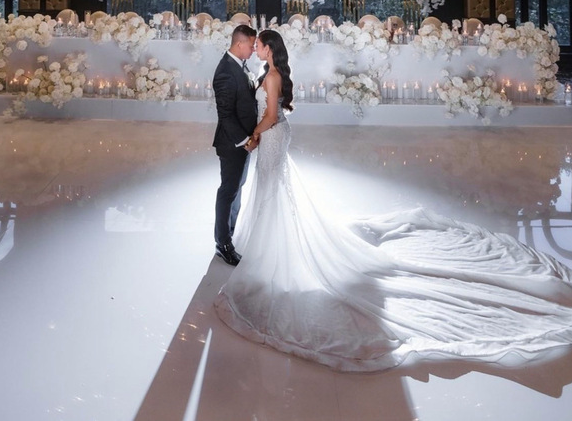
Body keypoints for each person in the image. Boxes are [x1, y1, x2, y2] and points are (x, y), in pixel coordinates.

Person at [214, 29, 572, 372]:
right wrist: (255, 133)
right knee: (269, 190)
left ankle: (272, 250)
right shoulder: (265, 72)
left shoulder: (272, 76)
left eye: (259, 45)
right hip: (271, 138)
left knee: (274, 191)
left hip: (272, 138)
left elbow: (272, 115)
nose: (256, 48)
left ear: (270, 50)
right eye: (255, 44)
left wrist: (252, 137)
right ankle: (264, 243)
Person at [212, 24, 258, 266]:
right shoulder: (225, 73)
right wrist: (245, 141)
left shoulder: (239, 65)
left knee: (238, 187)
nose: (253, 50)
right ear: (240, 44)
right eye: (251, 46)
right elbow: (226, 115)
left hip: (244, 142)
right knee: (228, 191)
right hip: (233, 143)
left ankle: (231, 231)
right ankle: (223, 243)